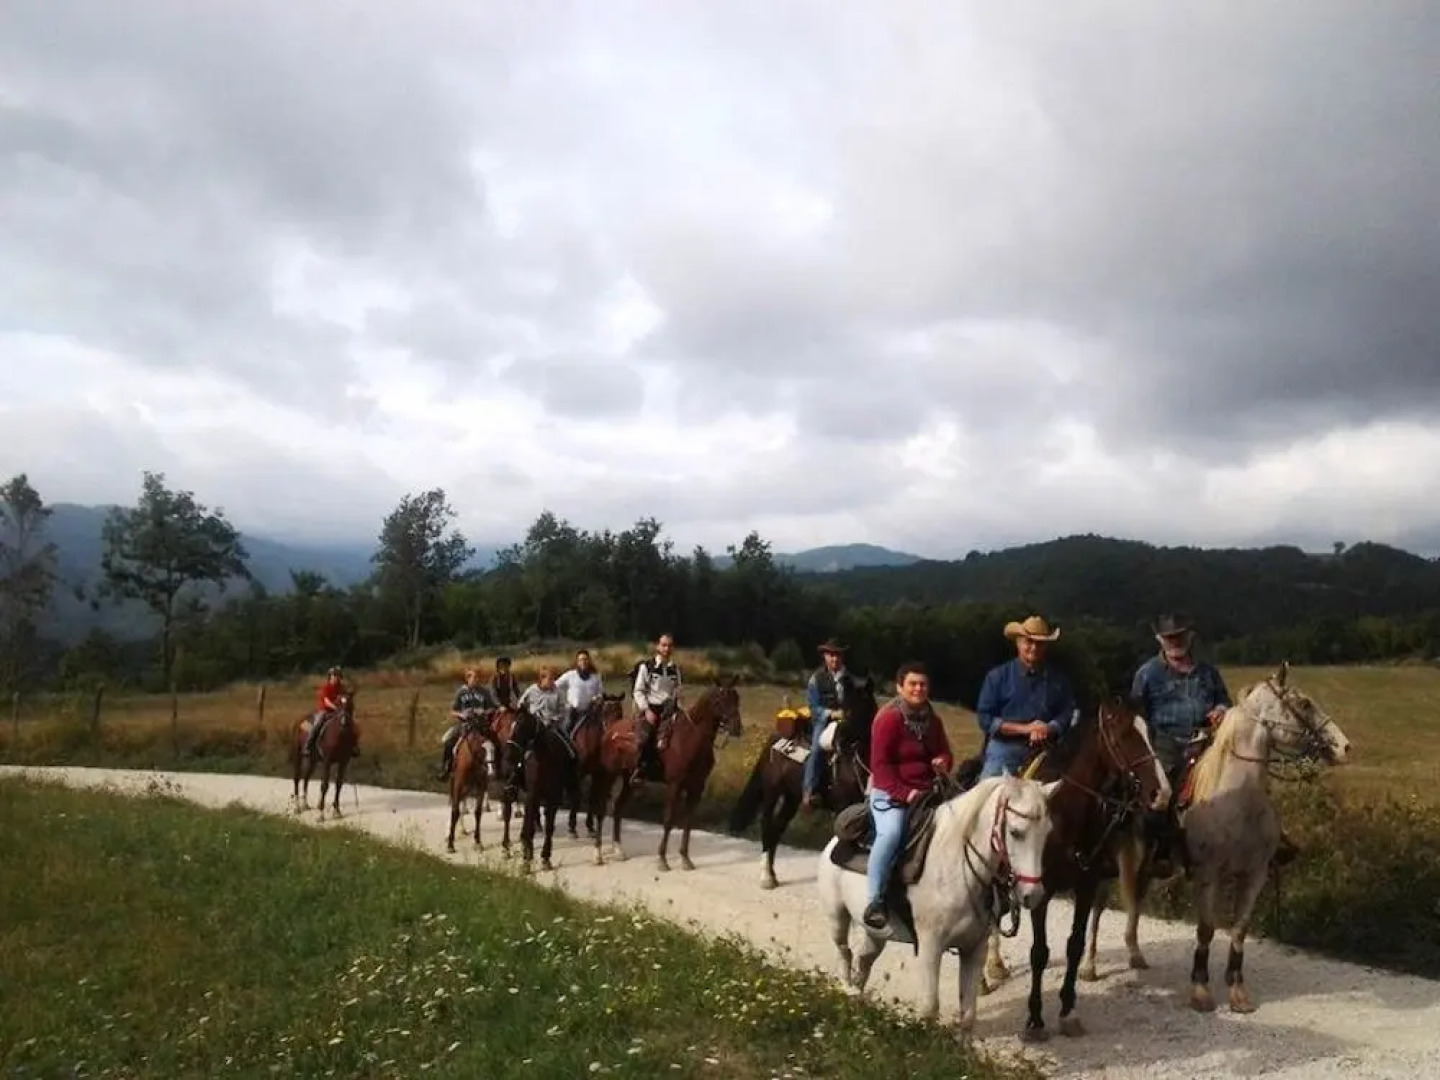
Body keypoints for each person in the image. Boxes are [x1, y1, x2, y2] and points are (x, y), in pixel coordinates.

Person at [1130, 613, 1297, 875]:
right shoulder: (1147, 674)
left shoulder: (1207, 672)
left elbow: (1226, 702)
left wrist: (1220, 710)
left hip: (1208, 740)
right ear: (1160, 640)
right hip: (1166, 743)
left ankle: (1270, 840)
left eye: (1180, 636)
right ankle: (1161, 851)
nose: (1176, 642)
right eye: (1170, 638)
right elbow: (1137, 713)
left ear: (1189, 638)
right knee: (1162, 794)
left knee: (1247, 778)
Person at [864, 660, 954, 930]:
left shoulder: (932, 720)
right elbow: (879, 766)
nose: (918, 689)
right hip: (890, 792)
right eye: (912, 684)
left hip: (928, 791)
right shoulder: (888, 719)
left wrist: (942, 761)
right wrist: (906, 793)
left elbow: (945, 752)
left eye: (923, 684)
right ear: (899, 687)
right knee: (891, 833)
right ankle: (875, 899)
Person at [975, 616, 1078, 779]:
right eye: (1028, 641)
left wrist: (1049, 727)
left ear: (1046, 647)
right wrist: (1026, 729)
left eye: (1040, 643)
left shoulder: (1059, 681)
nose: (1034, 647)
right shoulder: (997, 677)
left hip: (1046, 751)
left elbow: (1067, 712)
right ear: (1018, 642)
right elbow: (985, 718)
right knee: (989, 792)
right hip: (1004, 748)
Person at [802, 638, 852, 809]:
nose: (835, 659)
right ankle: (809, 791)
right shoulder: (816, 679)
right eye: (831, 655)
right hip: (824, 721)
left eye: (838, 655)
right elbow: (813, 707)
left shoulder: (849, 679)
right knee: (816, 749)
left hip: (847, 720)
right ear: (824, 656)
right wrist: (831, 713)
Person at [630, 633, 683, 783]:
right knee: (645, 738)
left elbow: (677, 688)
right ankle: (641, 770)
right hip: (651, 707)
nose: (667, 648)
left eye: (669, 645)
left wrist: (678, 698)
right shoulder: (647, 666)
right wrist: (646, 710)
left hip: (670, 708)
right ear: (658, 647)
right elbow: (638, 691)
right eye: (664, 645)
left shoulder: (675, 669)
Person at [435, 666, 499, 781]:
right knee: (448, 740)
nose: (476, 680)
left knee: (495, 741)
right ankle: (446, 768)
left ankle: (496, 768)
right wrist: (461, 715)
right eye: (474, 677)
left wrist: (484, 711)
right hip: (465, 724)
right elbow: (453, 711)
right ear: (467, 678)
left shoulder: (484, 692)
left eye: (478, 677)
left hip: (481, 724)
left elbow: (493, 708)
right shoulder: (461, 692)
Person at [517, 665, 573, 755]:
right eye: (550, 679)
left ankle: (573, 758)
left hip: (552, 725)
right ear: (542, 679)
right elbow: (521, 705)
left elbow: (563, 710)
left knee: (567, 742)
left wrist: (555, 719)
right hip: (534, 726)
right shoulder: (531, 690)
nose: (553, 681)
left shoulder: (558, 692)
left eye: (553, 679)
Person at [555, 648, 605, 738]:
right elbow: (555, 686)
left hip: (590, 712)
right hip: (573, 711)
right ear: (577, 662)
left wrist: (596, 698)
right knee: (566, 727)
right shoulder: (570, 675)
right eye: (581, 660)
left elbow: (600, 693)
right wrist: (562, 702)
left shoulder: (596, 676)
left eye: (585, 659)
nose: (583, 662)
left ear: (589, 661)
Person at [304, 666, 347, 759]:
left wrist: (344, 705)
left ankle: (351, 746)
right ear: (330, 677)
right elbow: (326, 701)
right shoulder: (325, 687)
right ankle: (308, 745)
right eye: (334, 675)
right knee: (318, 723)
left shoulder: (342, 688)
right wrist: (335, 707)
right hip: (325, 710)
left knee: (348, 722)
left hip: (338, 711)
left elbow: (344, 698)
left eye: (338, 676)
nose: (336, 678)